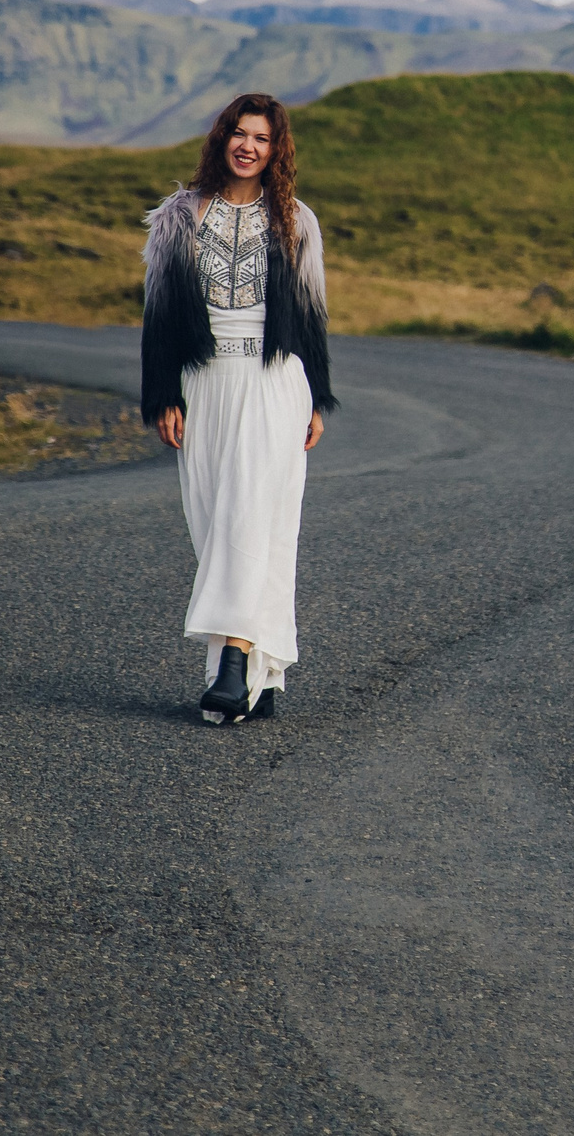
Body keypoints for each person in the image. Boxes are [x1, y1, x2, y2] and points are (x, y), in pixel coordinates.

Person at [141, 92, 335, 725]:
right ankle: (264, 670)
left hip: (275, 380)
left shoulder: (295, 221)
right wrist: (164, 392)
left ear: (277, 151)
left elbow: (311, 315)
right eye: (239, 133)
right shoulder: (178, 217)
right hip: (205, 381)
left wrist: (317, 400)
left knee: (248, 514)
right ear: (222, 137)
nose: (249, 146)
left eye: (263, 138)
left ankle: (231, 664)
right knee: (219, 523)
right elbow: (160, 315)